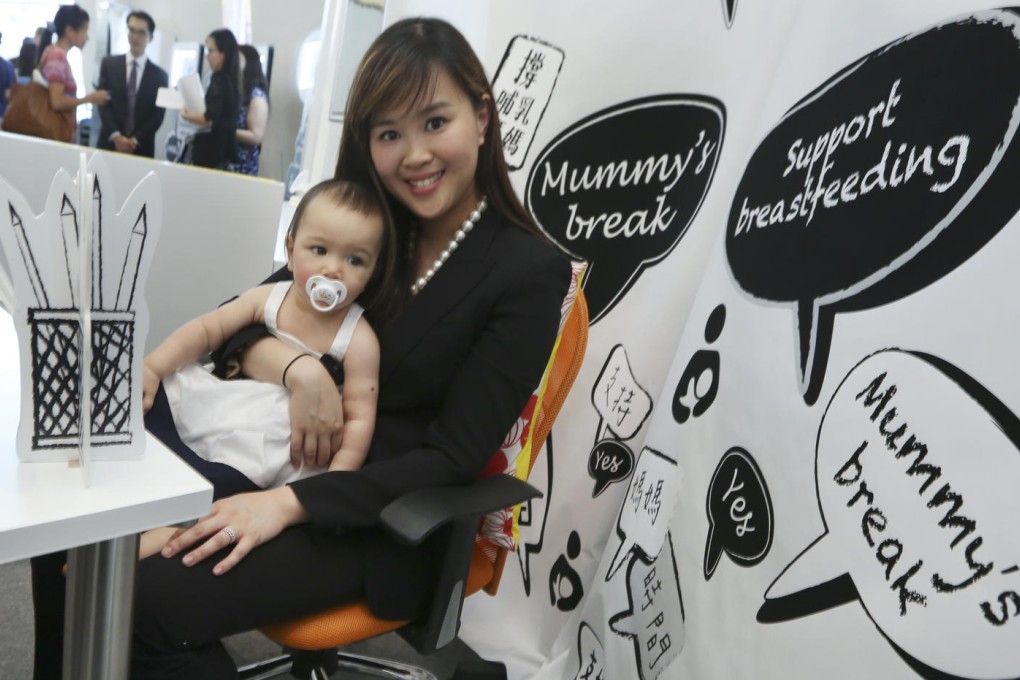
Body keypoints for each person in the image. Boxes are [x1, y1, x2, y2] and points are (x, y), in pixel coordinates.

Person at [124, 16, 572, 678]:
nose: (414, 154)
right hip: (258, 455)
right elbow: (244, 319)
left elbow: (451, 456)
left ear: (481, 115)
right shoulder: (365, 226)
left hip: (376, 518)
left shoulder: (526, 271)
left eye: (434, 122)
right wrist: (298, 366)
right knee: (80, 532)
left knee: (145, 598)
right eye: (390, 133)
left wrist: (287, 504)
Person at [97, 10, 169, 158]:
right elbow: (103, 104)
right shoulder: (109, 64)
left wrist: (134, 140)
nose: (135, 37)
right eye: (131, 30)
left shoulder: (160, 76)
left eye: (141, 32)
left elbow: (157, 117)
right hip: (109, 144)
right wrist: (116, 136)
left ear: (151, 37)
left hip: (141, 149)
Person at [37, 5, 109, 142]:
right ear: (70, 31)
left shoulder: (52, 52)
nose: (87, 38)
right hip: (56, 135)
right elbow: (57, 101)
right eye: (84, 31)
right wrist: (90, 98)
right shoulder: (57, 56)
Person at [181, 28, 240, 169]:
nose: (207, 56)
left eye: (211, 50)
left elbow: (209, 118)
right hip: (223, 152)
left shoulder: (219, 79)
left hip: (211, 152)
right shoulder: (233, 79)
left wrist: (186, 115)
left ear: (223, 53)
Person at [232, 44, 270, 176]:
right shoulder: (238, 92)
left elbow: (256, 136)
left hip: (242, 167)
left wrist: (226, 130)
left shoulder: (257, 96)